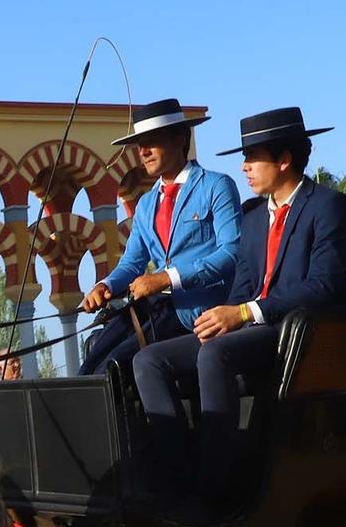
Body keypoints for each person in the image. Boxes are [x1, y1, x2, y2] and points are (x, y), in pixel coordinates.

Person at [131, 107, 346, 510]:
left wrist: (245, 314)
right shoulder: (253, 220)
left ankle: (215, 487)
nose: (244, 167)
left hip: (294, 332)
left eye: (253, 158)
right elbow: (243, 286)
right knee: (149, 360)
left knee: (215, 352)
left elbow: (323, 286)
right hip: (251, 327)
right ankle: (178, 477)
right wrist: (222, 315)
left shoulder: (327, 206)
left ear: (284, 160)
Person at [81, 98, 244, 373]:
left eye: (152, 141)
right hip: (153, 309)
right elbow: (132, 263)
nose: (143, 151)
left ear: (181, 137)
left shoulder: (216, 186)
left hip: (195, 311)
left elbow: (231, 253)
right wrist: (106, 285)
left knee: (112, 367)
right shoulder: (145, 204)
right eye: (139, 145)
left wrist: (167, 278)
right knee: (90, 363)